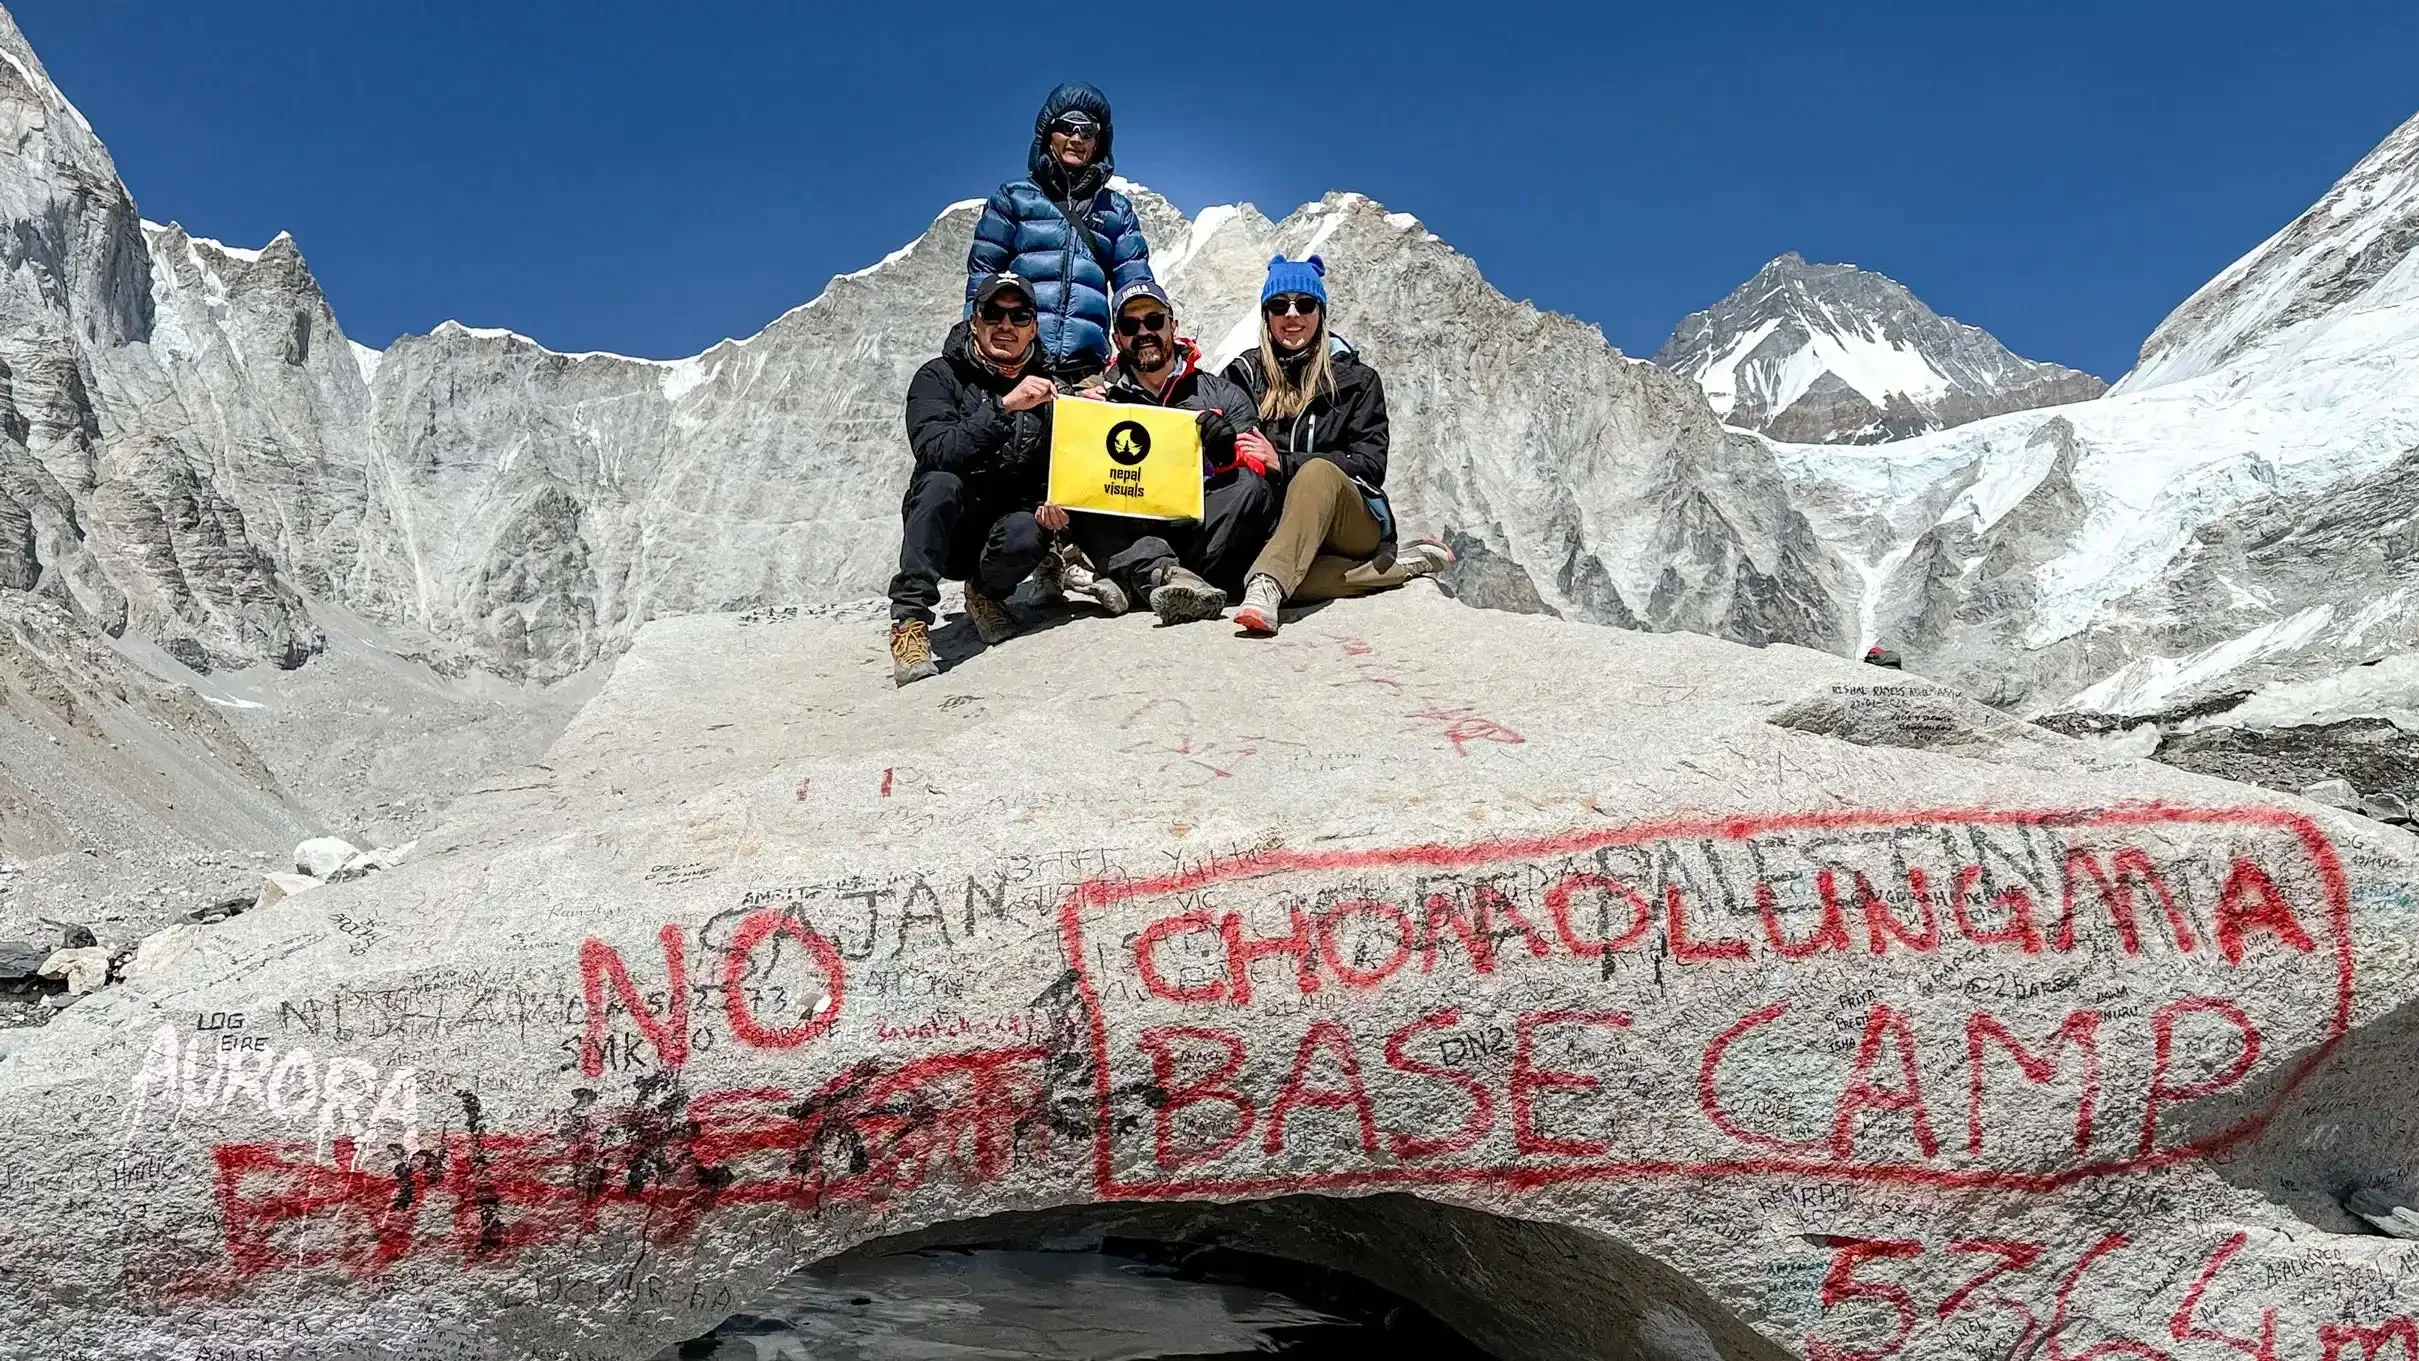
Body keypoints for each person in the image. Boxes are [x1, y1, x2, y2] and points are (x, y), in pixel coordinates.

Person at [1220, 255, 1452, 636]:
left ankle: (1268, 586)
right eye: (1279, 306)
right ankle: (1396, 567)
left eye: (1304, 304)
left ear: (1320, 312)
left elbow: (1370, 464)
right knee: (1262, 572)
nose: (1292, 315)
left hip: (1350, 522)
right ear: (1266, 317)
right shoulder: (1243, 377)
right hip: (1282, 528)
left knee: (1317, 473)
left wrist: (1284, 463)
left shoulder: (1357, 381)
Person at [1061, 280, 1278, 625]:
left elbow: (1259, 462)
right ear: (1117, 338)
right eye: (1130, 325)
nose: (1144, 332)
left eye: (1154, 321)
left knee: (1250, 487)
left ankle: (1139, 580)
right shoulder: (1099, 401)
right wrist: (1084, 421)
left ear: (1172, 327)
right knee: (1082, 498)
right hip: (1134, 523)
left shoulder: (1222, 393)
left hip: (1201, 529)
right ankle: (1169, 579)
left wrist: (1225, 456)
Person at [886, 273, 1056, 687]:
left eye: (1019, 316)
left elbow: (1062, 465)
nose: (1006, 325)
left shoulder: (1051, 388)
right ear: (974, 321)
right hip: (948, 529)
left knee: (1030, 528)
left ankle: (984, 594)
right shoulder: (938, 376)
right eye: (993, 313)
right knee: (939, 483)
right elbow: (935, 450)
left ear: (1033, 327)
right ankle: (910, 622)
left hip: (1002, 528)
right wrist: (1005, 408)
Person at [966, 83, 1153, 384]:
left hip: (1087, 372)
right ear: (1047, 134)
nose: (1076, 139)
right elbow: (983, 277)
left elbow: (1135, 287)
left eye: (1087, 132)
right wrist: (970, 341)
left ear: (1099, 143)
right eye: (1067, 127)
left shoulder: (1116, 210)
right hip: (1016, 364)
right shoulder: (1014, 198)